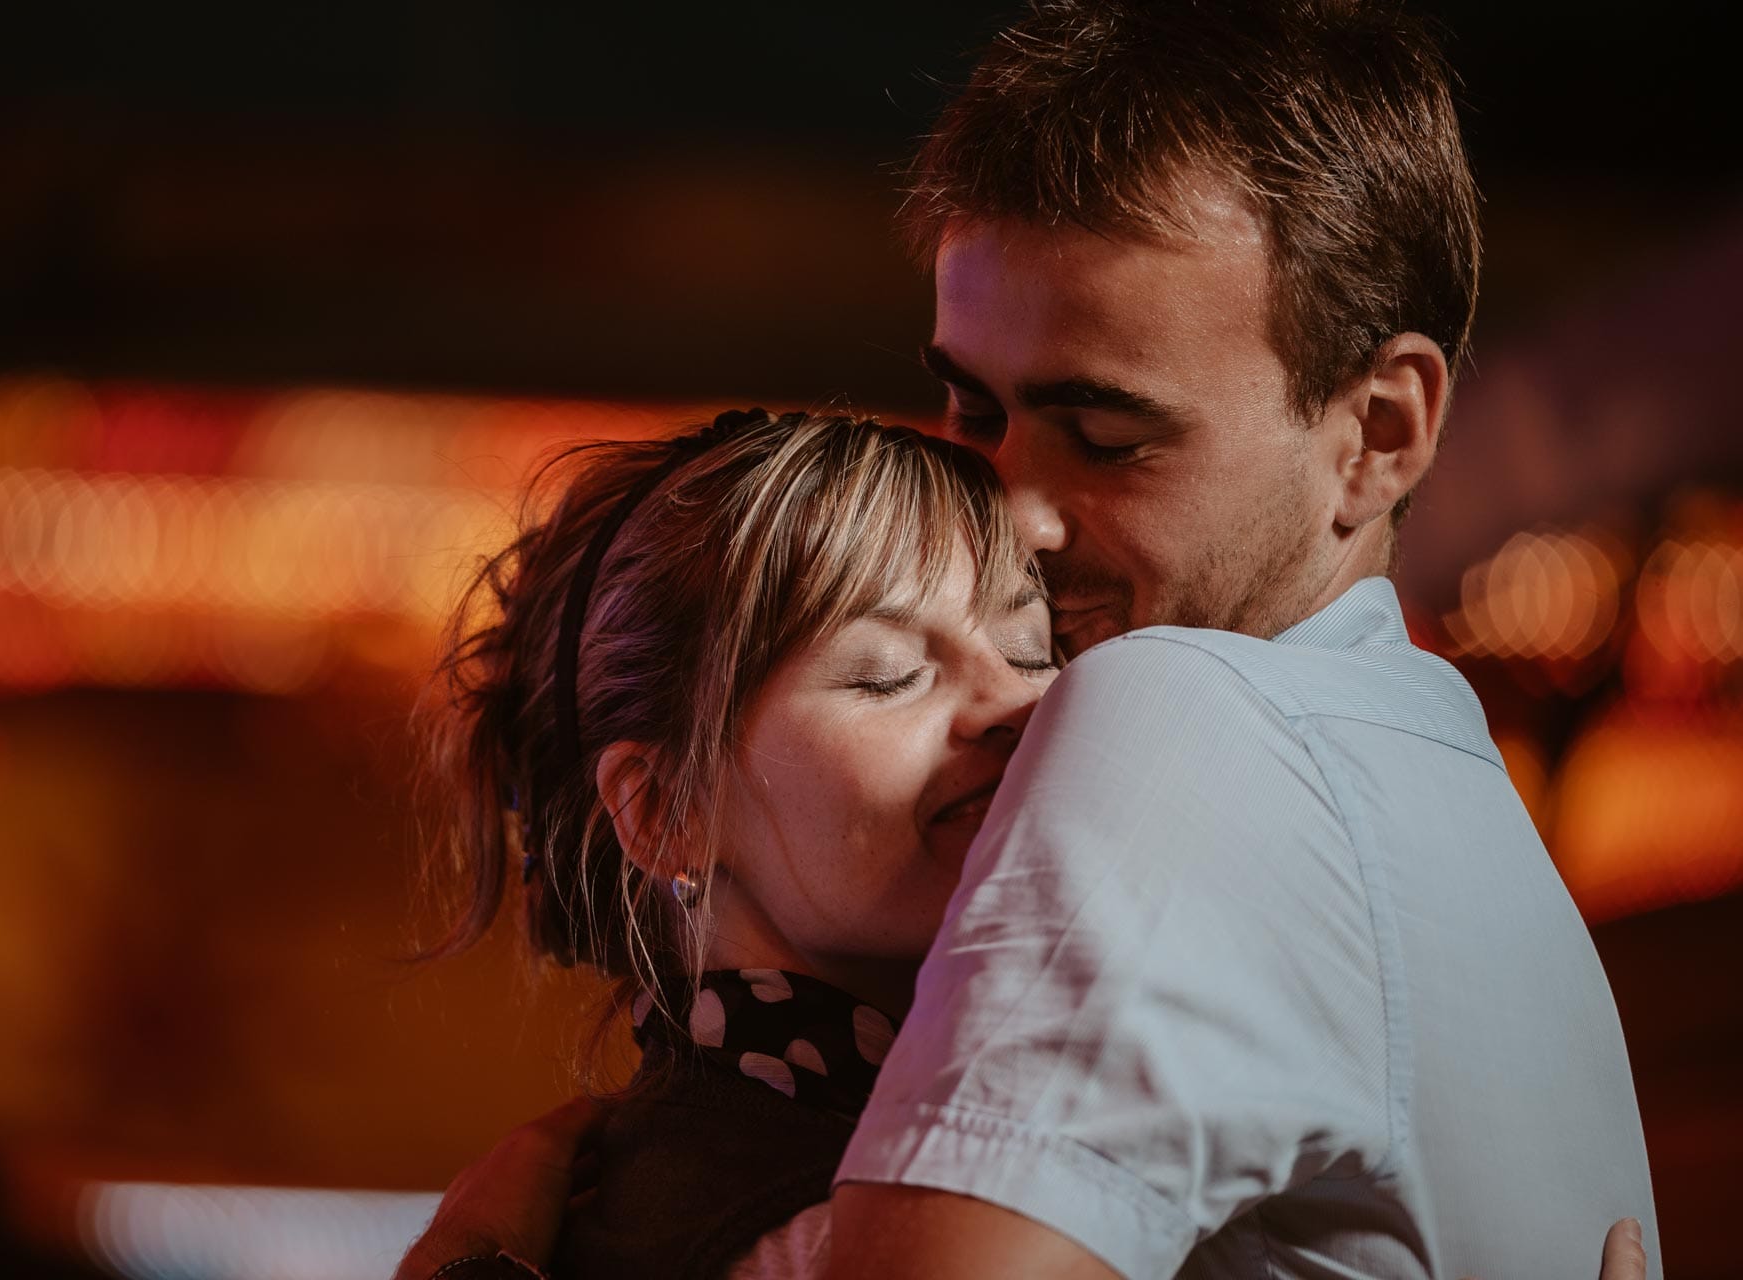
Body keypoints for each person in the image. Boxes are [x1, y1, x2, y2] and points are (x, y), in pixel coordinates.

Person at [403, 1, 1662, 1276]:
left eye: (1108, 434)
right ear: (660, 802)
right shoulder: (1443, 786)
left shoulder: (1181, 716)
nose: (1008, 500)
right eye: (970, 404)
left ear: (1380, 431)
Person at [418, 409, 1057, 1278]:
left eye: (1032, 647)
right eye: (889, 674)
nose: (1017, 703)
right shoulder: (808, 1236)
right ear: (665, 812)